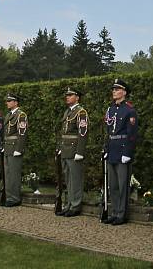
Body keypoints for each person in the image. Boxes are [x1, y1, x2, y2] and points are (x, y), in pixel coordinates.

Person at [103, 79, 138, 226]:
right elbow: (107, 131)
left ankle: (122, 214)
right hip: (112, 149)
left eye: (117, 89)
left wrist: (127, 152)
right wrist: (106, 149)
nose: (114, 92)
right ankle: (115, 212)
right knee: (113, 185)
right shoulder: (110, 109)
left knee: (123, 184)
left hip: (123, 149)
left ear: (124, 92)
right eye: (113, 89)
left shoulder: (129, 110)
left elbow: (132, 134)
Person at [57, 87, 88, 217]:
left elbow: (83, 133)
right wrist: (60, 147)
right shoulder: (67, 112)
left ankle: (75, 205)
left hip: (74, 149)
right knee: (68, 179)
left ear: (77, 97)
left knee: (75, 179)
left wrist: (80, 151)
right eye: (67, 95)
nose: (67, 97)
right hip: (66, 149)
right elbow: (63, 132)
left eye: (70, 95)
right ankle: (69, 204)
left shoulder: (81, 112)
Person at [2, 94, 28, 207]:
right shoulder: (9, 115)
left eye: (10, 101)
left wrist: (19, 148)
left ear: (16, 102)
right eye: (7, 101)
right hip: (8, 146)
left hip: (14, 147)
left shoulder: (21, 115)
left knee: (14, 174)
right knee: (8, 174)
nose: (7, 102)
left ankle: (15, 198)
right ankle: (9, 197)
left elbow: (22, 133)